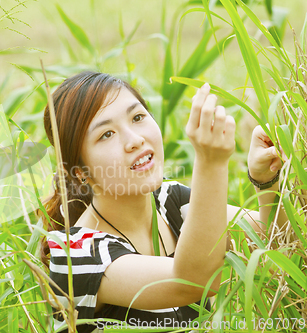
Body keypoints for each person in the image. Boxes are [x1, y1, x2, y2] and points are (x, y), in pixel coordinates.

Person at [38, 71, 286, 333]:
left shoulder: (171, 202)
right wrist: (210, 162)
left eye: (137, 117)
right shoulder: (76, 255)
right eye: (106, 134)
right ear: (81, 172)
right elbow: (192, 282)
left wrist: (266, 181)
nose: (135, 140)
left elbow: (275, 243)